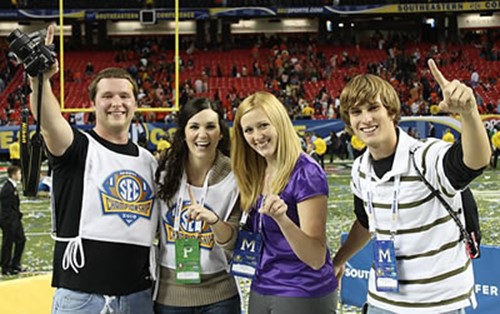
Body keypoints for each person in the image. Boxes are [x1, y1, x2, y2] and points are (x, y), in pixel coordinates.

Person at [332, 59, 491, 313]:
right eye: (356, 112)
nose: (366, 119)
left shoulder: (425, 156)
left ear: (392, 112)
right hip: (382, 302)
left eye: (373, 108)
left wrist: (469, 112)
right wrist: (339, 260)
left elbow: (475, 161)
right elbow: (365, 222)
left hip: (439, 304)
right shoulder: (360, 168)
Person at [28, 25, 158, 313]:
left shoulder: (150, 161)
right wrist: (40, 81)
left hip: (138, 295)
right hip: (83, 296)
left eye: (125, 96)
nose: (117, 103)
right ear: (92, 103)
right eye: (108, 96)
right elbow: (48, 120)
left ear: (135, 103)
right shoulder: (77, 146)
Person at [231, 91, 337, 314]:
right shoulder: (256, 172)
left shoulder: (306, 173)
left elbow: (315, 258)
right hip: (261, 285)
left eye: (263, 125)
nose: (257, 136)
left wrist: (282, 219)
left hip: (303, 289)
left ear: (279, 122)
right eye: (248, 130)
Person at [154, 98, 241, 314]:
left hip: (220, 295)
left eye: (210, 127)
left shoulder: (235, 176)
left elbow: (234, 243)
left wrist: (214, 221)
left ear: (221, 133)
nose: (202, 135)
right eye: (194, 126)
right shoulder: (162, 172)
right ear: (184, 132)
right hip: (170, 295)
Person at [0, 165, 25, 276]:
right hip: (9, 221)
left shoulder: (12, 187)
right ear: (14, 175)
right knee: (8, 243)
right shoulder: (7, 189)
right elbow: (5, 208)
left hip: (15, 219)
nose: (20, 176)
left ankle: (15, 264)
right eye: (19, 173)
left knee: (21, 240)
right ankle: (5, 266)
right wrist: (8, 222)